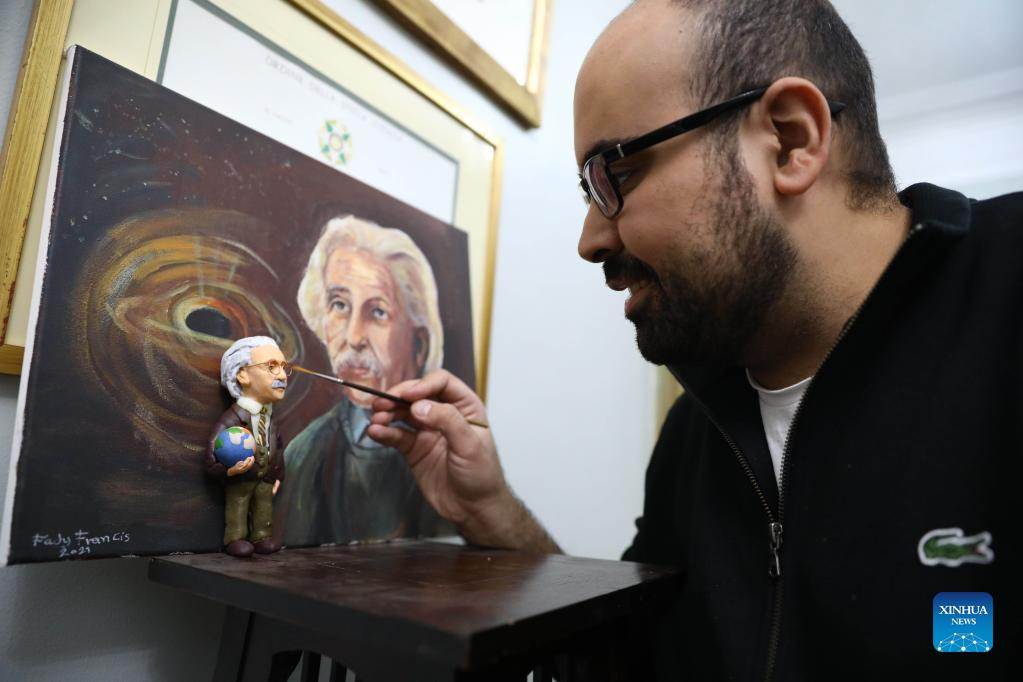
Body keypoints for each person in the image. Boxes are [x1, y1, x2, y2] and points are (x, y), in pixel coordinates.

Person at [367, 0, 1020, 678]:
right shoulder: (697, 428)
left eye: (616, 174)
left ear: (789, 141)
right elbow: (623, 659)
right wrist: (491, 510)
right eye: (589, 192)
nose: (590, 240)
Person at [281, 215, 449, 546]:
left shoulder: (448, 455)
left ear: (419, 345)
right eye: (339, 305)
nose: (354, 337)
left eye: (378, 312)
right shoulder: (306, 455)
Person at [206, 336, 288, 558]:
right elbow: (212, 455)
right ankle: (235, 538)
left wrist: (278, 474)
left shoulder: (270, 418)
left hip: (265, 478)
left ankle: (262, 535)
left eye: (283, 367)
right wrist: (229, 471)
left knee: (264, 505)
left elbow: (279, 446)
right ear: (242, 374)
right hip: (240, 477)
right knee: (238, 504)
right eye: (271, 366)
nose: (282, 375)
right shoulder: (232, 419)